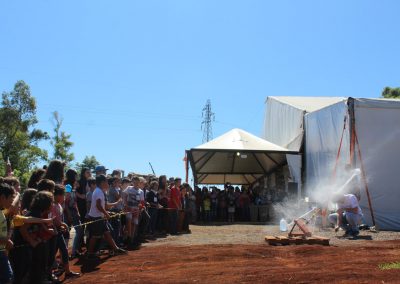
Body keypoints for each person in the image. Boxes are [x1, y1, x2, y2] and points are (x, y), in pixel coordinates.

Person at [86, 175, 126, 258]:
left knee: (107, 233)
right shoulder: (99, 192)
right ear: (102, 183)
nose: (107, 183)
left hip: (99, 216)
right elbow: (98, 206)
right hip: (96, 217)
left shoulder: (99, 191)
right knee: (95, 236)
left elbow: (104, 205)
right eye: (106, 182)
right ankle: (89, 253)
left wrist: (114, 204)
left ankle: (116, 249)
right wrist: (106, 214)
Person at [52, 185, 80, 278]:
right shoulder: (52, 205)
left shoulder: (59, 205)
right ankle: (49, 274)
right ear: (57, 195)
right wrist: (63, 224)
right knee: (52, 254)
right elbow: (54, 220)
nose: (64, 197)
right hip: (53, 233)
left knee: (64, 251)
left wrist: (62, 225)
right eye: (63, 195)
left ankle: (67, 271)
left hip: (59, 232)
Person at [0, 182, 16, 284]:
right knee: (7, 278)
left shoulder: (2, 211)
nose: (12, 201)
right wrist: (7, 241)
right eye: (11, 197)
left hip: (2, 250)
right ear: (2, 197)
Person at [122, 176, 142, 246]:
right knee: (129, 222)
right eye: (134, 182)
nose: (136, 183)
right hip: (129, 208)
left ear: (139, 183)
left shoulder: (141, 191)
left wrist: (140, 207)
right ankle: (129, 238)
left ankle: (132, 238)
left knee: (134, 223)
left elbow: (141, 201)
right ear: (132, 182)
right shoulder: (129, 188)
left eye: (137, 182)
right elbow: (124, 196)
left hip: (136, 209)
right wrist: (125, 205)